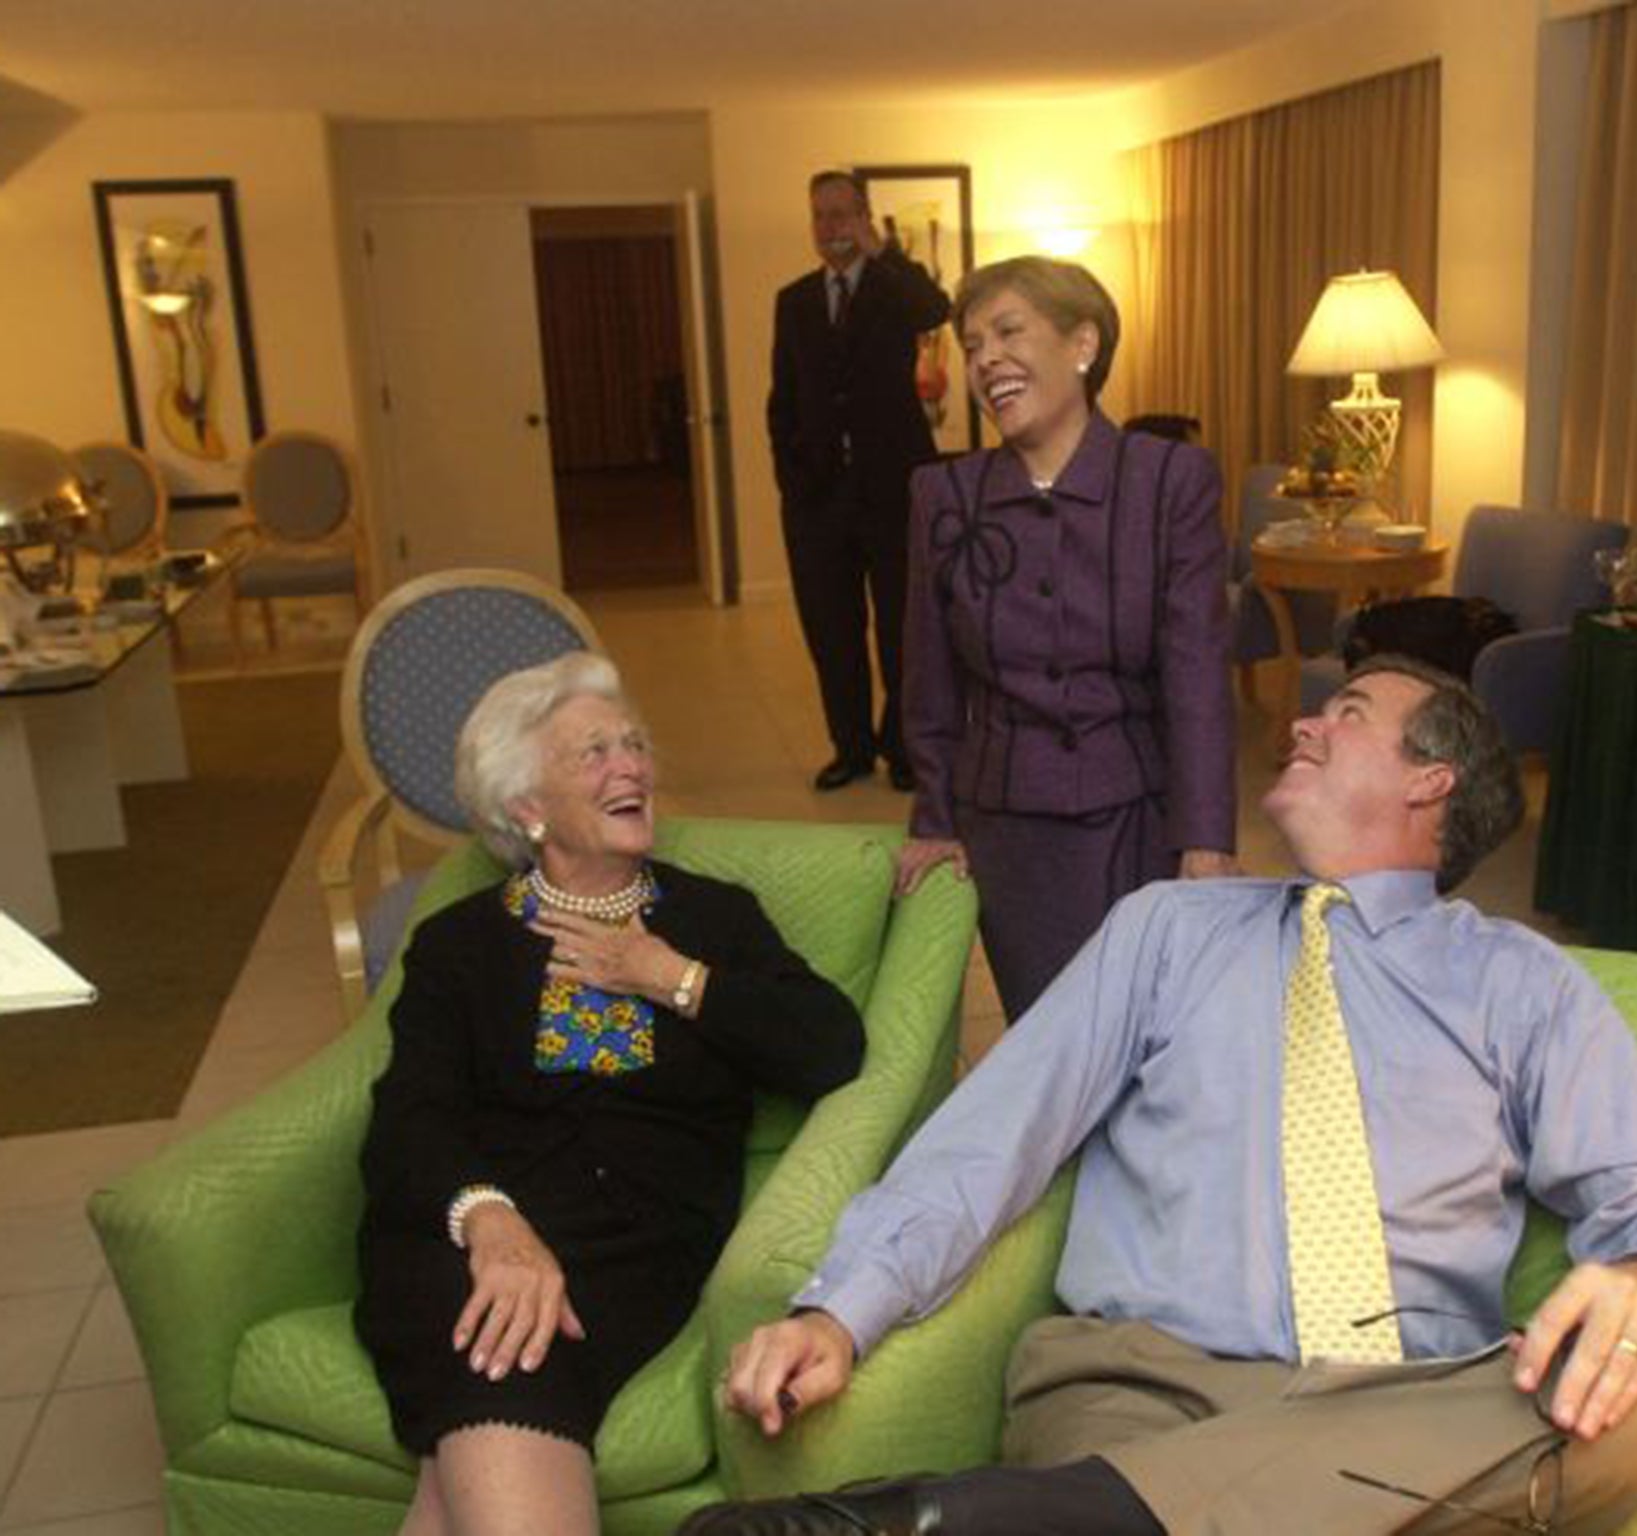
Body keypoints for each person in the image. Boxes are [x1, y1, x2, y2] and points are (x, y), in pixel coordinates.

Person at [684, 656, 1637, 1536]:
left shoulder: (1520, 982)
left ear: (1431, 781)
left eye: (1347, 713)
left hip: (1401, 1406)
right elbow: (990, 1133)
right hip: (1142, 1388)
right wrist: (840, 1305)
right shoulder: (1164, 928)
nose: (1299, 723)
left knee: (1624, 1424)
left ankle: (960, 1523)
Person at [353, 651, 864, 1536]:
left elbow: (829, 1046)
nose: (630, 765)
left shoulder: (712, 919)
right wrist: (493, 1224)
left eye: (633, 745)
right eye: (592, 753)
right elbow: (412, 1116)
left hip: (637, 1240)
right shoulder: (460, 944)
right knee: (496, 1331)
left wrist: (670, 977)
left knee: (505, 1356)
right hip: (470, 1233)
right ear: (526, 808)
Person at [894, 256, 1237, 1019]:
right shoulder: (942, 496)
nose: (985, 359)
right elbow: (930, 677)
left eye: (1008, 331)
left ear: (1083, 344)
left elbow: (1197, 672)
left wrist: (1205, 838)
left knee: (1156, 1037)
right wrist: (935, 819)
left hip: (1141, 818)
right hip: (1011, 832)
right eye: (972, 343)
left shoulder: (1168, 481)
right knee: (1052, 1040)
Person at [769, 169, 952, 793]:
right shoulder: (792, 301)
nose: (831, 228)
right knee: (832, 628)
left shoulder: (894, 288)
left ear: (865, 219)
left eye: (843, 215)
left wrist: (884, 254)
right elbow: (783, 400)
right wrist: (791, 479)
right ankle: (849, 748)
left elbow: (937, 310)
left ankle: (903, 747)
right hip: (819, 498)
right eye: (820, 216)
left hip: (894, 490)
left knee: (904, 626)